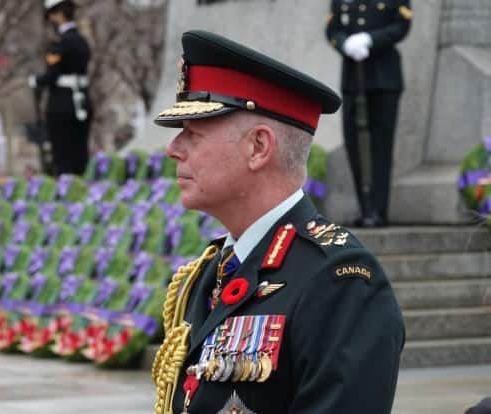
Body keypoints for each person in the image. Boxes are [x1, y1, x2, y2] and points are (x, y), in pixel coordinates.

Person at [151, 30, 405, 414]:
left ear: (258, 147)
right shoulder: (210, 270)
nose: (173, 149)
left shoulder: (341, 282)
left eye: (193, 134)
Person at [325, 0, 412, 227]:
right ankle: (365, 209)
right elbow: (332, 28)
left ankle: (378, 211)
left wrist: (371, 40)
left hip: (384, 79)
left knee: (380, 148)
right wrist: (344, 44)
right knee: (354, 143)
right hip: (353, 79)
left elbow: (402, 25)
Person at [29, 0, 92, 176]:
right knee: (80, 150)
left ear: (58, 15)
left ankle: (66, 189)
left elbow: (52, 75)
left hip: (62, 103)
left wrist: (35, 80)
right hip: (83, 101)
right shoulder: (82, 41)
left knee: (62, 153)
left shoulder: (60, 43)